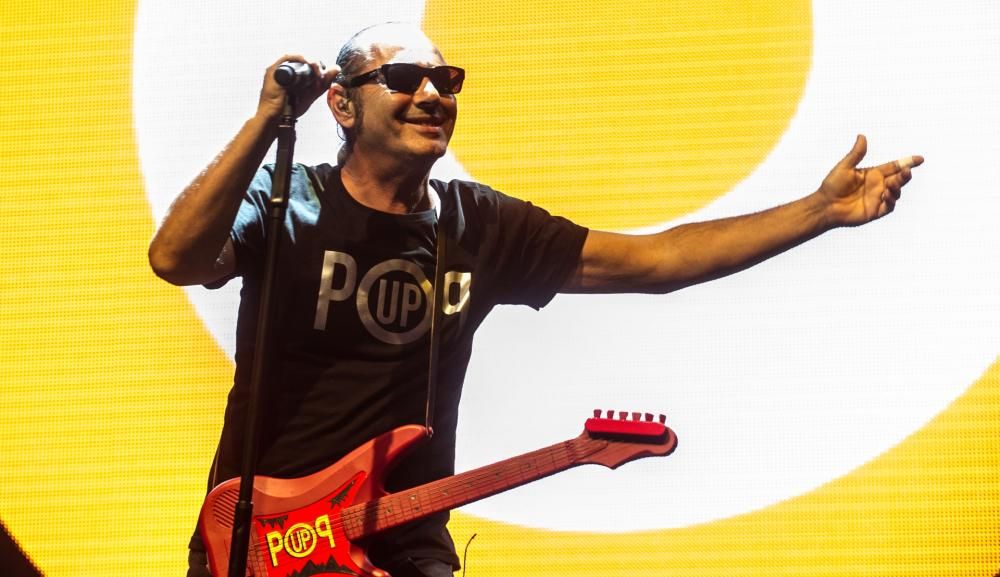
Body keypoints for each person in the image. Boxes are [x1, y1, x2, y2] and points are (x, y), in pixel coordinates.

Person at [148, 22, 922, 577]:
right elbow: (174, 257)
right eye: (404, 79)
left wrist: (818, 212)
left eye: (447, 82)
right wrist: (266, 121)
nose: (432, 94)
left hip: (403, 548)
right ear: (342, 105)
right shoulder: (289, 199)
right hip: (260, 541)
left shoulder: (479, 225)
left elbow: (657, 261)